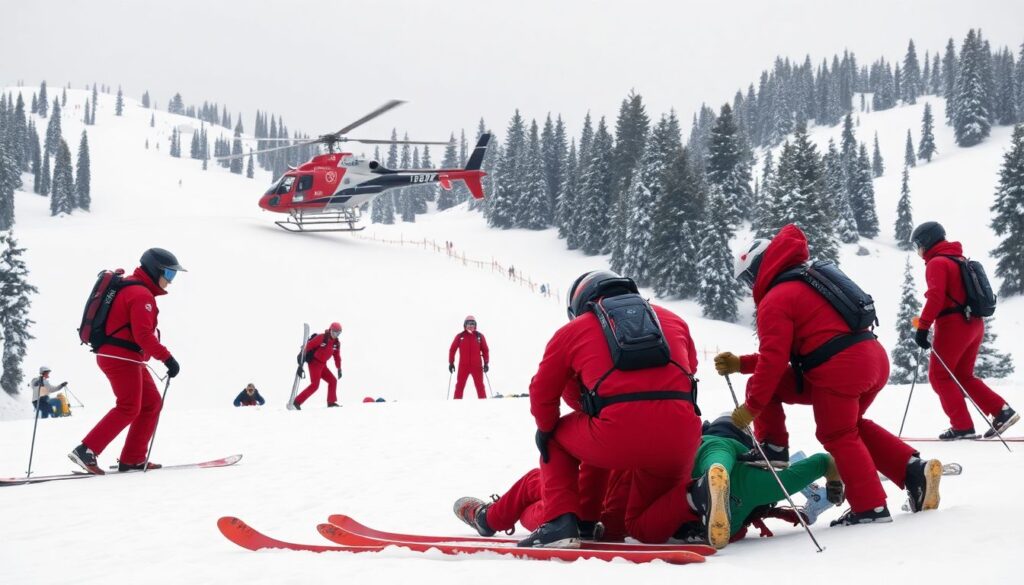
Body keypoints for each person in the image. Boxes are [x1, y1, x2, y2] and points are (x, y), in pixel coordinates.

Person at [717, 224, 942, 526]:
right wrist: (740, 363)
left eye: (748, 278)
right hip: (870, 358)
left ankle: (869, 508)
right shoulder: (806, 279)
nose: (749, 285)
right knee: (850, 427)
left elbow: (773, 359)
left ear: (758, 268)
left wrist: (752, 407)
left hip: (839, 368)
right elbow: (780, 358)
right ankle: (914, 471)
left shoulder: (776, 297)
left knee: (836, 433)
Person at [520, 270, 715, 549]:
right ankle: (693, 497)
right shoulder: (674, 320)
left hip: (616, 434)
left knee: (553, 438)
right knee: (642, 526)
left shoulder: (572, 331)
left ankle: (560, 522)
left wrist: (546, 427)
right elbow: (691, 369)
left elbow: (542, 392)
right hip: (680, 437)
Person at [454, 416, 840, 547]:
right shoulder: (754, 483)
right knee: (538, 497)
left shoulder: (701, 446)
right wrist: (833, 479)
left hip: (605, 505)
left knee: (540, 485)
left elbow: (713, 456)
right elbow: (813, 464)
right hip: (641, 517)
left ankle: (489, 518)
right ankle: (500, 516)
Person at [69, 248, 185, 475]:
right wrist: (168, 359)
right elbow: (143, 335)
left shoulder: (134, 288)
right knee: (129, 406)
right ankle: (86, 450)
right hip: (120, 358)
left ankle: (132, 459)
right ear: (155, 270)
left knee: (151, 403)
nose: (171, 281)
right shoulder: (141, 295)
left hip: (127, 357)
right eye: (169, 274)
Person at [910, 221, 1019, 440]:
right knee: (962, 375)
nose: (919, 250)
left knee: (939, 376)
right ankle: (1001, 411)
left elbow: (936, 297)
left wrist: (923, 327)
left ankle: (962, 427)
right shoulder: (958, 258)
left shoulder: (937, 263)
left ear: (928, 241)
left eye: (918, 245)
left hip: (953, 326)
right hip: (974, 324)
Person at [293, 322, 342, 409]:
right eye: (334, 332)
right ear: (330, 330)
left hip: (323, 365)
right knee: (315, 385)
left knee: (333, 381)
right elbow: (308, 346)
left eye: (338, 333)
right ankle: (297, 402)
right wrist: (301, 358)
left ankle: (331, 402)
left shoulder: (336, 343)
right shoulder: (322, 337)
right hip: (314, 363)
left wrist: (339, 368)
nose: (335, 334)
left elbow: (337, 356)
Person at [448, 316, 489, 400]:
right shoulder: (460, 336)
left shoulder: (479, 336)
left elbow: (485, 350)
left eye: (472, 324)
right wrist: (451, 363)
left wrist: (486, 363)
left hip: (477, 366)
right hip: (463, 366)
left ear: (475, 325)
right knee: (459, 385)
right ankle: (456, 404)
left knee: (480, 386)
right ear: (465, 325)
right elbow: (452, 350)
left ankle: (484, 405)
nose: (470, 326)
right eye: (468, 324)